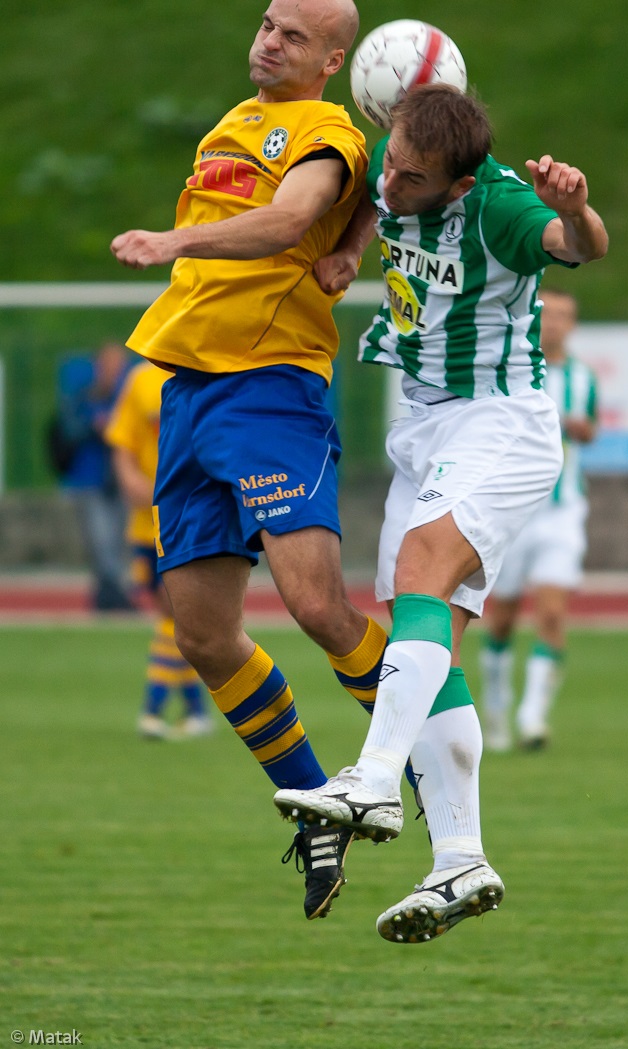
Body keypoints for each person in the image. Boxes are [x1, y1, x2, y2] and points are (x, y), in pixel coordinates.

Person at [273, 84, 608, 942]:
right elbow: (366, 202)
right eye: (393, 161)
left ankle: (375, 777)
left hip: (500, 420)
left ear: (457, 185)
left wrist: (577, 213)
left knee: (421, 569)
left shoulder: (494, 203)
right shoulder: (397, 170)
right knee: (429, 629)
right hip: (425, 425)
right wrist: (351, 248)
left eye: (413, 178)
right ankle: (460, 857)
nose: (392, 184)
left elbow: (574, 244)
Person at [109, 0, 391, 920]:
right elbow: (353, 218)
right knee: (200, 633)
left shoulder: (329, 131)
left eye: (293, 35)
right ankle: (319, 807)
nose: (269, 40)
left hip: (270, 385)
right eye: (268, 23)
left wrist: (175, 239)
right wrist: (354, 244)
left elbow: (289, 219)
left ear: (332, 59)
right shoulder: (231, 123)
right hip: (188, 389)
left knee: (315, 604)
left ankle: (424, 762)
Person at [480, 287, 598, 750]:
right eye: (547, 314)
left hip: (563, 513)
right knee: (503, 619)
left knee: (551, 613)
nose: (555, 323)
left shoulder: (584, 377)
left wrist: (579, 427)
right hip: (513, 512)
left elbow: (589, 428)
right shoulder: (511, 369)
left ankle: (532, 717)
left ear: (574, 323)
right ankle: (496, 708)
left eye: (565, 315)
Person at [105, 360, 215, 741]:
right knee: (175, 619)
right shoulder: (140, 379)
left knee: (175, 615)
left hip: (189, 516)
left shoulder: (212, 371)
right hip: (145, 523)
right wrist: (132, 481)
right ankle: (196, 713)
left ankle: (152, 711)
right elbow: (122, 441)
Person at [50, 342, 134, 611]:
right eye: (109, 365)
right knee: (101, 540)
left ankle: (107, 596)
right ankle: (113, 596)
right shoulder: (82, 399)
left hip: (119, 480)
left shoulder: (127, 400)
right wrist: (93, 427)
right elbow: (67, 430)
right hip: (90, 480)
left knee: (119, 539)